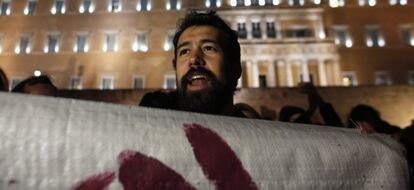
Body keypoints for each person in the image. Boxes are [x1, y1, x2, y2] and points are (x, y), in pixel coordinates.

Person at [140, 11, 245, 117]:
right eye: (184, 51)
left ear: (235, 68)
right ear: (175, 68)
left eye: (208, 48)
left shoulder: (256, 132)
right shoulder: (152, 116)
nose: (194, 59)